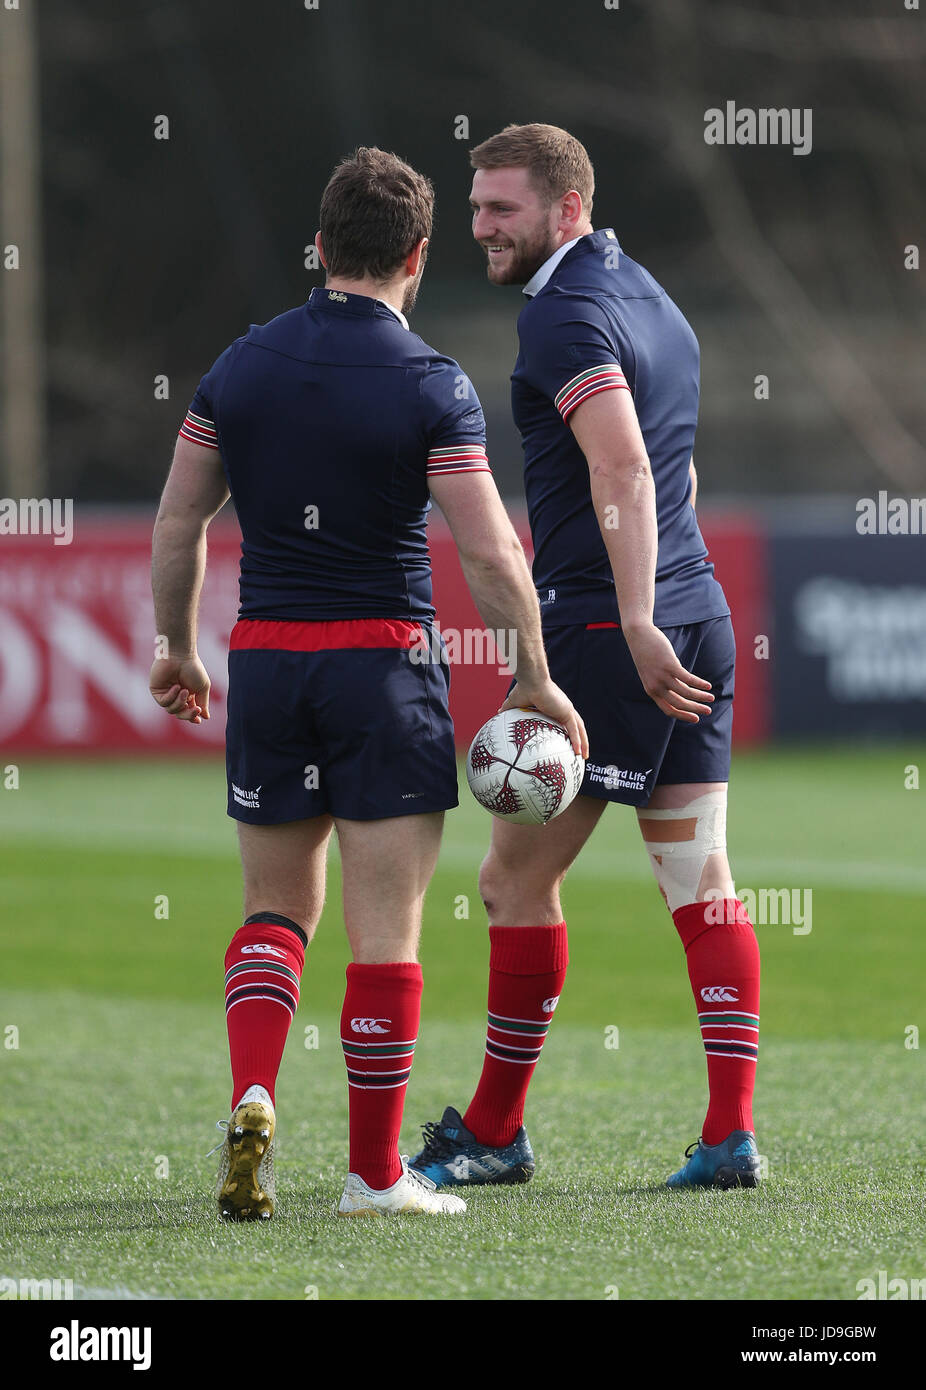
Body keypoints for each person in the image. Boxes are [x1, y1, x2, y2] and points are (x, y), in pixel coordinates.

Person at [149, 146, 586, 1221]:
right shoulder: (430, 382)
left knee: (271, 908)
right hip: (382, 665)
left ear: (320, 245)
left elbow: (177, 521)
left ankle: (254, 1088)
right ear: (417, 256)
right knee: (383, 927)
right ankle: (373, 1173)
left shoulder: (240, 365)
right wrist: (531, 674)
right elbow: (488, 553)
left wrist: (176, 647)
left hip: (264, 658)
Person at [411, 124, 761, 1192]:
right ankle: (727, 1136)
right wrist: (668, 605)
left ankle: (494, 1131)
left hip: (616, 627)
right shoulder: (649, 294)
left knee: (508, 884)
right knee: (698, 880)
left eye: (500, 209)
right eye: (472, 208)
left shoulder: (563, 315)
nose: (479, 228)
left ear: (565, 208)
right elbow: (675, 468)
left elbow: (622, 467)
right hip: (693, 610)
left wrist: (632, 615)